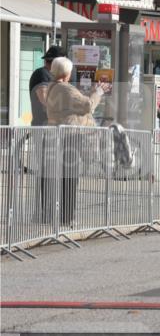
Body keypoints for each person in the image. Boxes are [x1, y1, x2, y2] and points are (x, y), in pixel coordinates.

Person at [45, 57, 107, 225]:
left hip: (61, 135)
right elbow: (87, 105)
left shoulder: (52, 87)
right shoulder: (64, 88)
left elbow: (74, 105)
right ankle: (67, 217)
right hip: (70, 136)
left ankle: (66, 216)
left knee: (67, 178)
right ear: (67, 72)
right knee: (70, 178)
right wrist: (98, 92)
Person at [29, 46, 66, 126]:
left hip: (51, 127)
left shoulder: (53, 75)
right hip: (43, 127)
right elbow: (45, 99)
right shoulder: (42, 73)